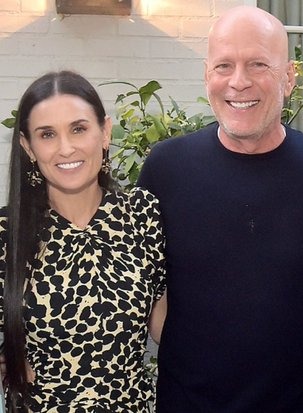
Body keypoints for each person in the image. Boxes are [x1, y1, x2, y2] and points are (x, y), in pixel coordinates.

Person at [136, 5, 303, 412]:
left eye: (258, 64)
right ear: (207, 75)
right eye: (224, 65)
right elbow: (141, 283)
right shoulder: (165, 169)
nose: (238, 82)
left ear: (289, 77)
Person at [0, 70, 167, 411]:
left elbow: (165, 327)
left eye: (79, 128)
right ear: (28, 147)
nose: (66, 148)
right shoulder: (6, 233)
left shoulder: (142, 214)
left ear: (105, 132)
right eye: (47, 134)